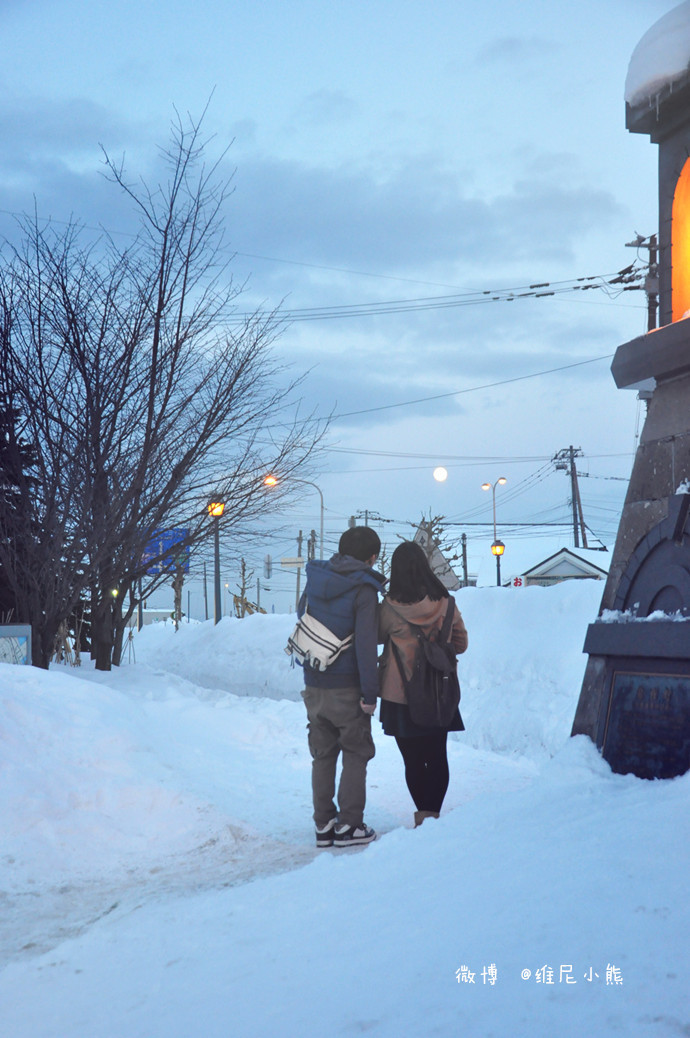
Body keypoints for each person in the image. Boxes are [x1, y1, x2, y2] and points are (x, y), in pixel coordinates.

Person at [298, 525, 386, 848]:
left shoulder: (317, 576)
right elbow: (365, 643)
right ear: (372, 557)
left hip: (314, 679)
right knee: (355, 751)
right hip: (347, 685)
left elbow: (302, 615)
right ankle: (349, 825)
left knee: (322, 754)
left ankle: (324, 824)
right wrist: (370, 692)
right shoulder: (364, 588)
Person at [378, 541, 468, 827]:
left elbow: (376, 637)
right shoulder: (446, 603)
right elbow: (461, 644)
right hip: (439, 692)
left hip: (400, 695)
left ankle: (424, 817)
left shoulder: (389, 608)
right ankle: (434, 817)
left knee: (413, 760)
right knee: (437, 755)